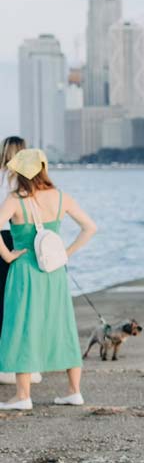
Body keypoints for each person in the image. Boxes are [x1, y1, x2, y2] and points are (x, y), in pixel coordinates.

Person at [0, 149, 96, 410]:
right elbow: (90, 227)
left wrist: (8, 255)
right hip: (54, 270)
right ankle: (74, 391)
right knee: (62, 325)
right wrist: (66, 253)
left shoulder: (15, 199)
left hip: (25, 270)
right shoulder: (61, 197)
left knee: (22, 326)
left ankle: (23, 396)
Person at [0, 137, 41, 386]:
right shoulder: (21, 180)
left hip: (1, 237)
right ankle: (22, 365)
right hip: (16, 239)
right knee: (20, 303)